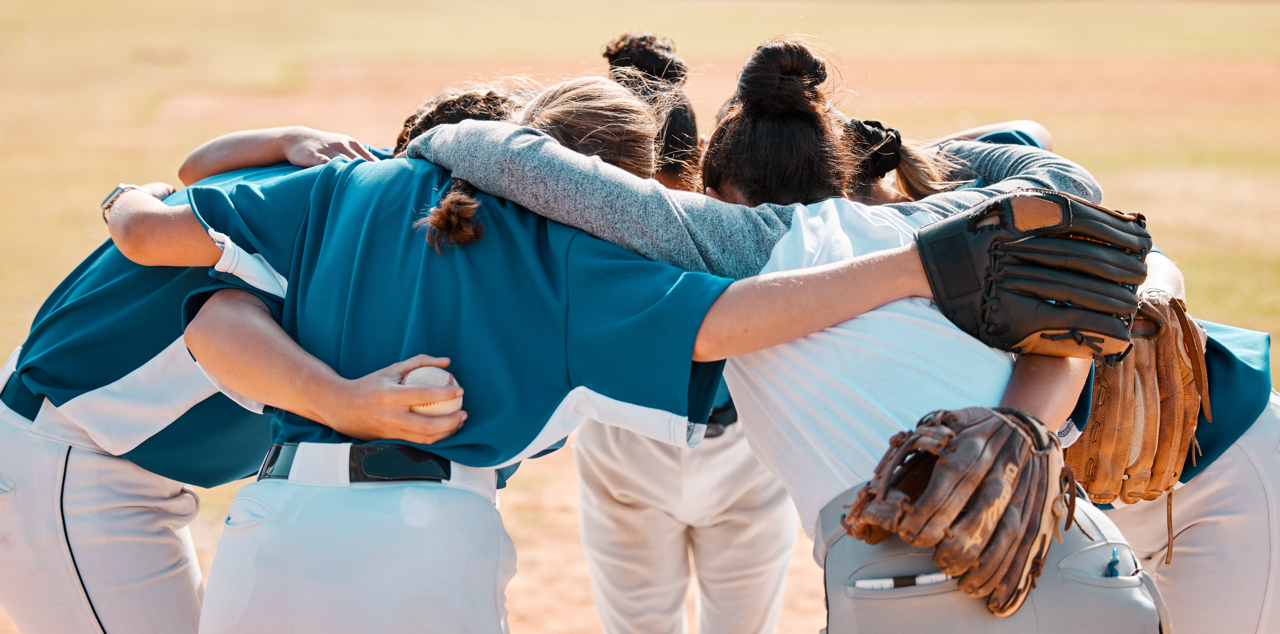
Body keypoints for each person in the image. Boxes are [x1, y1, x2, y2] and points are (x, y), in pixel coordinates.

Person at [405, 39, 1165, 631]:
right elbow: (1066, 178)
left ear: (716, 189)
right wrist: (924, 152)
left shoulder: (742, 246)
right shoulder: (938, 224)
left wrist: (432, 144)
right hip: (1091, 567)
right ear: (837, 168)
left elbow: (522, 162)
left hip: (919, 592)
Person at [0, 87, 522, 634]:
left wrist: (286, 137)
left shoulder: (354, 179)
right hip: (64, 458)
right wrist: (342, 402)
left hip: (91, 454)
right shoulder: (382, 223)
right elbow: (217, 322)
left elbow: (193, 168)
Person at [575, 32, 797, 634]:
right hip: (737, 445)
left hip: (627, 437)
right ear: (697, 154)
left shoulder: (579, 220)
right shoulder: (739, 220)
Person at [1095, 252, 1279, 634]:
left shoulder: (979, 208)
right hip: (1108, 520)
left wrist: (1153, 302)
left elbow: (1143, 254)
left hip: (1228, 467)